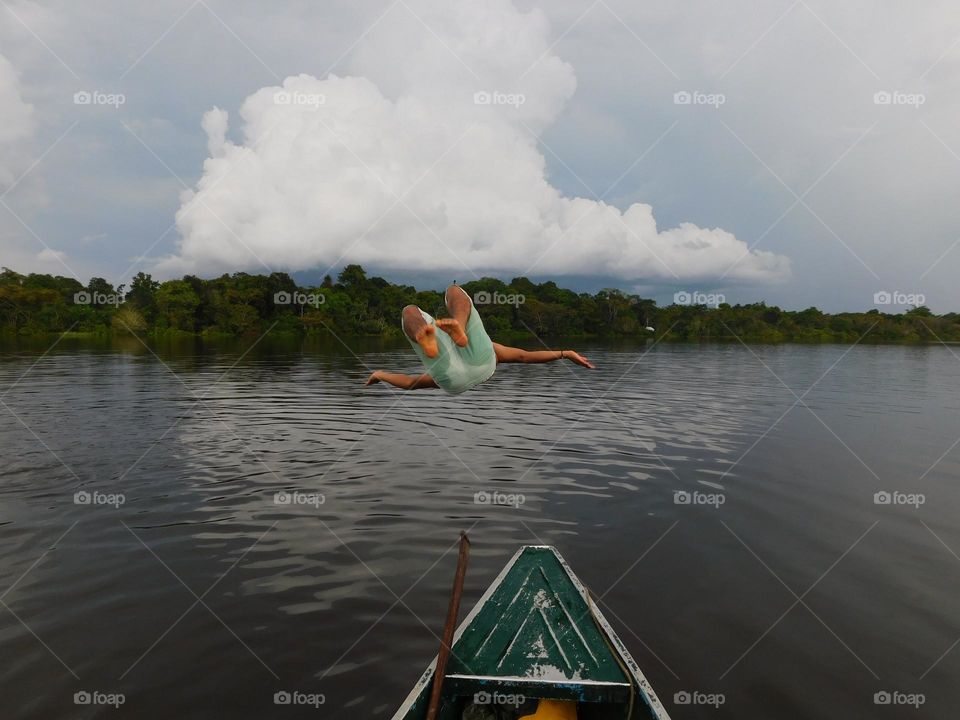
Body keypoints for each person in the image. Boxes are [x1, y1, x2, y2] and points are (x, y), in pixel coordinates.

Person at [365, 285, 595, 392]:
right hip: (475, 370)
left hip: (452, 379)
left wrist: (380, 374)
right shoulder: (493, 354)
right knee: (453, 291)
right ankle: (460, 327)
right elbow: (526, 357)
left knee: (410, 311)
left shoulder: (492, 354)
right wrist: (566, 354)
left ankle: (422, 334)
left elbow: (409, 384)